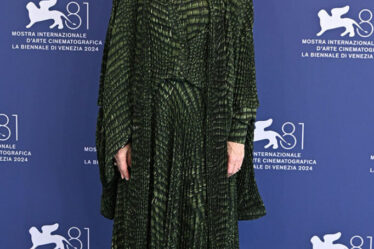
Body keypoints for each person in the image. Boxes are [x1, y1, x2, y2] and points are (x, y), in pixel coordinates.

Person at [95, 0, 267, 248]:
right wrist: (119, 134)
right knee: (144, 224)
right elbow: (119, 57)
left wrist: (238, 134)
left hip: (210, 132)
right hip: (148, 132)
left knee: (205, 223)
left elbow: (243, 65)